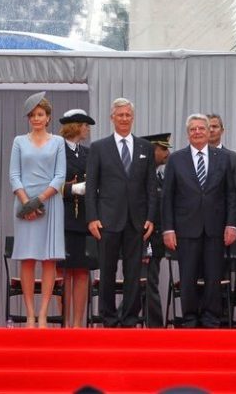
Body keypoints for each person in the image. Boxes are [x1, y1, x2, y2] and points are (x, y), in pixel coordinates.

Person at [85, 97, 157, 328]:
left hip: (137, 222)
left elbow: (151, 188)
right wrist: (92, 218)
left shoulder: (146, 147)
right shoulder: (98, 147)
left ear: (132, 118)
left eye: (128, 115)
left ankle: (129, 319)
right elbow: (91, 187)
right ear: (112, 118)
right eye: (120, 115)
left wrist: (151, 218)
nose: (124, 119)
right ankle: (108, 317)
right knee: (107, 270)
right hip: (107, 220)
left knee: (133, 273)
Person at [163, 114, 236, 327]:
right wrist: (168, 229)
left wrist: (232, 225)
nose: (197, 132)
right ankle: (189, 318)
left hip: (216, 229)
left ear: (209, 132)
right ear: (187, 134)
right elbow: (167, 197)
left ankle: (211, 318)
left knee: (214, 276)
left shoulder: (223, 158)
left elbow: (232, 194)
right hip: (186, 229)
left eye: (201, 128)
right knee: (187, 276)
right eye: (193, 129)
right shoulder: (176, 159)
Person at [9, 92, 66, 328]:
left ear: (48, 117)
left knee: (49, 259)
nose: (36, 118)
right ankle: (30, 314)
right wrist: (27, 203)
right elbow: (14, 175)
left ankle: (44, 314)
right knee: (27, 259)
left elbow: (60, 175)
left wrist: (39, 201)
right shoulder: (19, 141)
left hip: (50, 203)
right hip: (24, 203)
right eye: (32, 115)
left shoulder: (58, 142)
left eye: (40, 114)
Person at [58, 109, 97, 328]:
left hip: (83, 218)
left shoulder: (89, 153)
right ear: (75, 126)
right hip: (62, 217)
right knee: (62, 272)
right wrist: (72, 189)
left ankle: (78, 324)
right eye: (85, 125)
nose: (87, 129)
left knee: (82, 272)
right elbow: (50, 184)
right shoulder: (56, 149)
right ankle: (64, 323)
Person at [140, 132, 172, 328]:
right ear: (153, 151)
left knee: (147, 283)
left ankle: (123, 320)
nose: (167, 153)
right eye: (163, 149)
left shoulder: (158, 176)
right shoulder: (143, 178)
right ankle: (155, 327)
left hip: (156, 242)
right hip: (145, 240)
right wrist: (144, 245)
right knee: (146, 283)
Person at [207, 114, 236, 234]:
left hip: (224, 227)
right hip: (194, 228)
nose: (211, 130)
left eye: (215, 126)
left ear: (222, 130)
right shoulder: (190, 158)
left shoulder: (235, 159)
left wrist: (235, 227)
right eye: (207, 126)